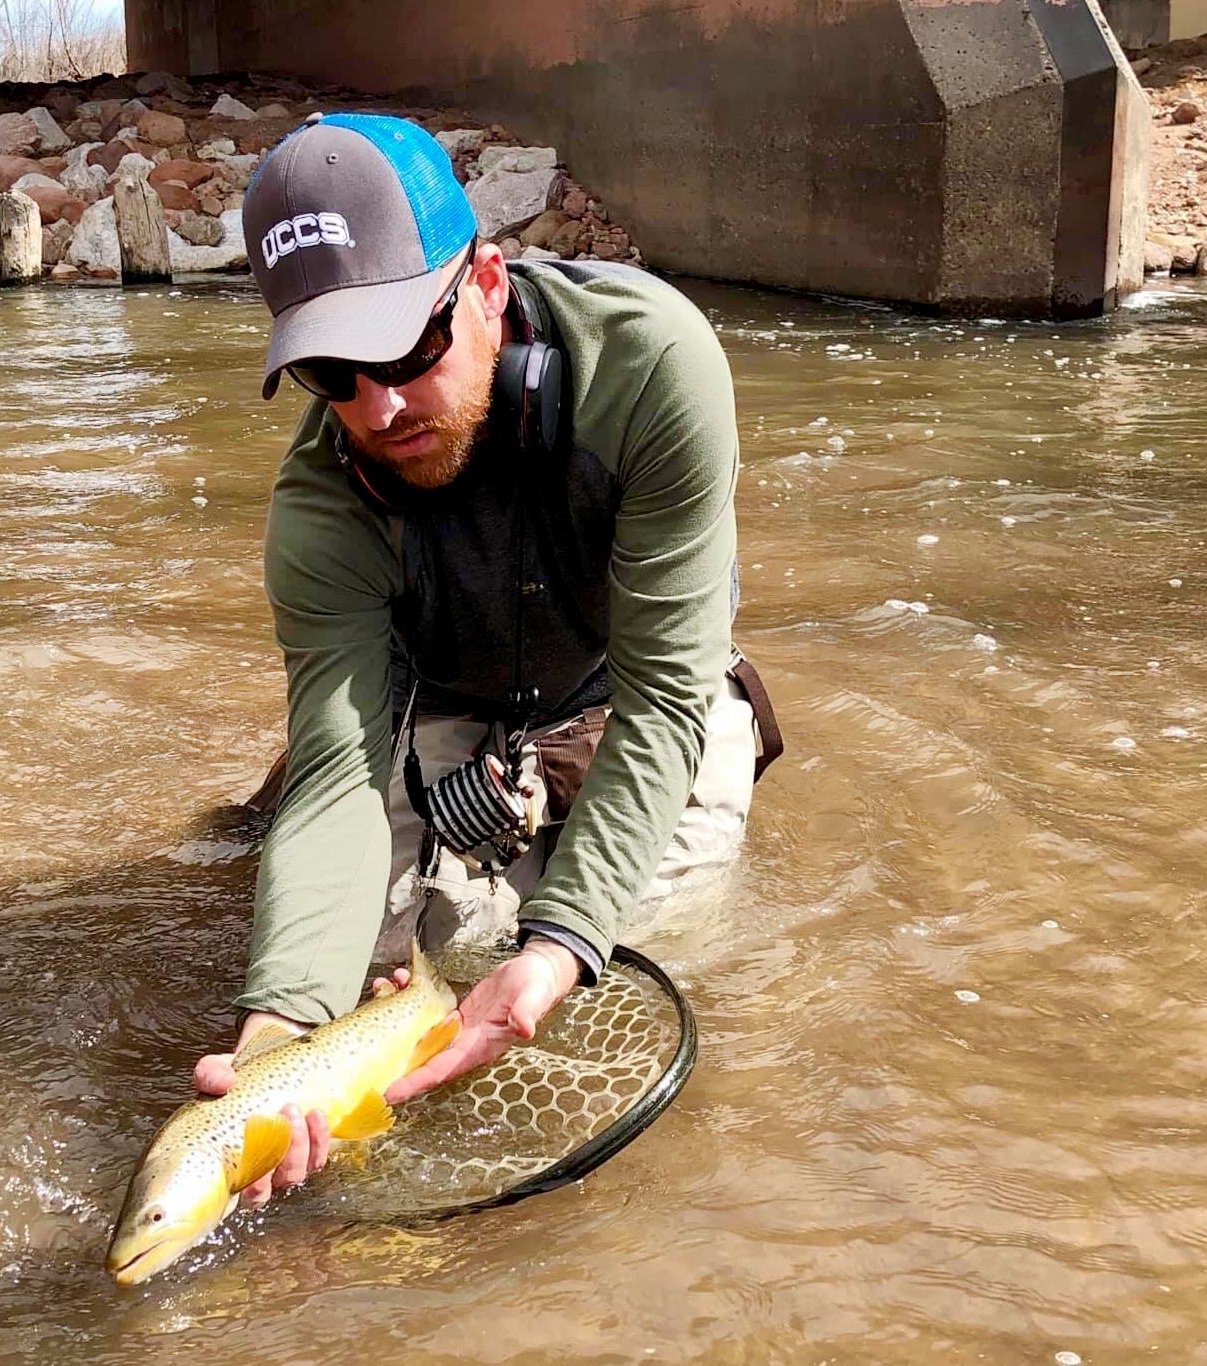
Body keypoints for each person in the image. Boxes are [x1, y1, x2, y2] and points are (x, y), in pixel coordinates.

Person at [191, 113, 780, 1207]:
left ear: (488, 282)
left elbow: (661, 700)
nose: (380, 406)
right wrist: (280, 1028)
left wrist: (558, 947)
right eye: (331, 370)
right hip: (438, 704)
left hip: (633, 689)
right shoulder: (318, 508)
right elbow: (338, 771)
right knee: (367, 979)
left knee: (635, 960)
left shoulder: (653, 367)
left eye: (406, 346)